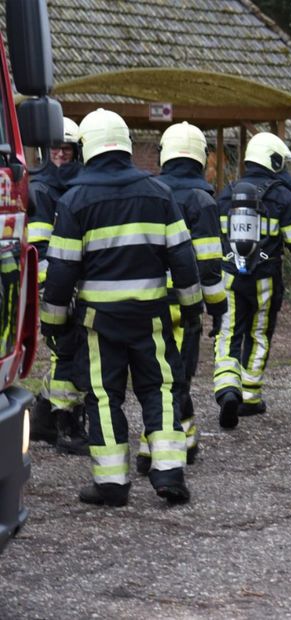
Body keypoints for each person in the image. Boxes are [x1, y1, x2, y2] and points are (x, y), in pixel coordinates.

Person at [41, 108, 202, 506]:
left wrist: (54, 324)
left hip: (99, 323)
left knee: (103, 396)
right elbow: (184, 260)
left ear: (87, 148)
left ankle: (111, 482)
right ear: (127, 145)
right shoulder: (159, 193)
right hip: (152, 317)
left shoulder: (75, 200)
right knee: (160, 389)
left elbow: (61, 274)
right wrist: (192, 308)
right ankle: (168, 472)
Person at [134, 122, 226, 474]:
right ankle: (151, 448)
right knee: (175, 376)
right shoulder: (202, 201)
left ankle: (186, 439)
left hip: (147, 299)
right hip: (183, 304)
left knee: (159, 373)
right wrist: (218, 307)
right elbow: (209, 267)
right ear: (201, 157)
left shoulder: (150, 192)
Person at [213, 133, 291, 428]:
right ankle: (250, 396)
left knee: (229, 332)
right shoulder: (283, 196)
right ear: (275, 160)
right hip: (265, 278)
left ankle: (228, 387)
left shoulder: (227, 193)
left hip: (230, 276)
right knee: (258, 334)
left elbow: (217, 236)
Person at [27, 117, 87, 455]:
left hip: (77, 282)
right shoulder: (39, 188)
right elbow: (40, 250)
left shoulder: (82, 185)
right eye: (55, 149)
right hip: (56, 285)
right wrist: (56, 290)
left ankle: (43, 418)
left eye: (66, 149)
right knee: (69, 350)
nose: (60, 155)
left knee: (69, 350)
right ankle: (68, 424)